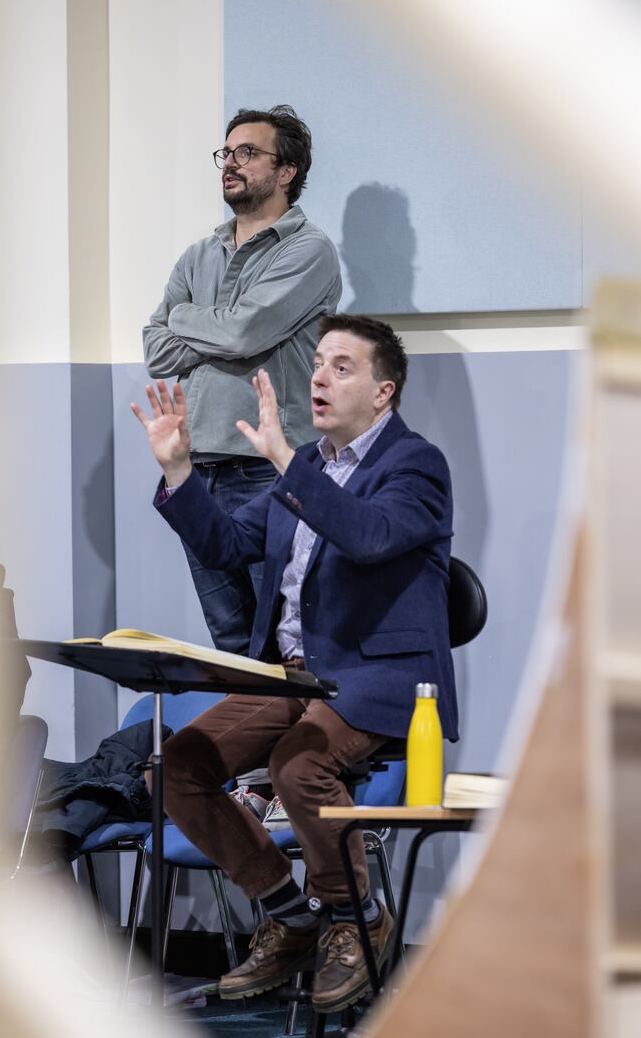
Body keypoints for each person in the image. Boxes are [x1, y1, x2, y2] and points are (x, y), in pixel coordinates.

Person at [130, 315, 457, 1012]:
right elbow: (223, 545)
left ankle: (356, 919)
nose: (319, 376)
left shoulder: (415, 464)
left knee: (297, 765)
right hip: (292, 673)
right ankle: (291, 911)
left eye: (342, 365)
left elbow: (367, 537)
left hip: (376, 675)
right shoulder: (306, 467)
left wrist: (286, 463)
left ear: (383, 390)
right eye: (318, 363)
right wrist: (179, 470)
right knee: (174, 769)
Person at [143, 105, 342, 656]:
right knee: (231, 646)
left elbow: (242, 334)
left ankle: (299, 745)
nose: (231, 163)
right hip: (198, 466)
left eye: (248, 153)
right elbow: (155, 350)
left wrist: (186, 317)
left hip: (270, 469)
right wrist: (219, 326)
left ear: (287, 171)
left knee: (284, 642)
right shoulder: (198, 254)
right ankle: (246, 742)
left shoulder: (309, 251)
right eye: (226, 153)